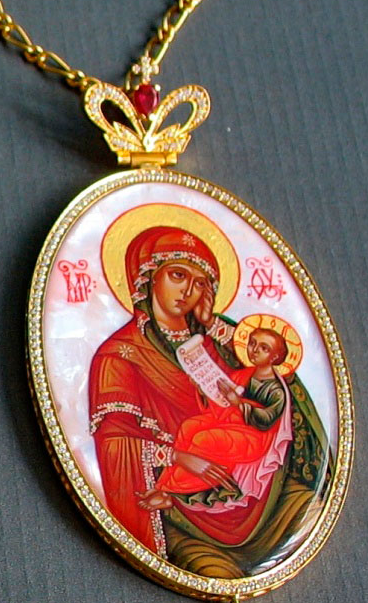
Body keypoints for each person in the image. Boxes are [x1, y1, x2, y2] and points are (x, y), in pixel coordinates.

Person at [87, 226, 328, 578]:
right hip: (183, 516)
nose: (188, 291)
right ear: (149, 277)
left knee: (310, 506)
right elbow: (115, 441)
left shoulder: (226, 338)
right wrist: (179, 457)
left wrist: (214, 327)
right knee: (214, 569)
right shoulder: (120, 355)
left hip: (262, 492)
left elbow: (279, 384)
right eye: (178, 275)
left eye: (199, 283)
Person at [140, 323, 297, 509]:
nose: (254, 350)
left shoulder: (276, 391)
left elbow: (265, 420)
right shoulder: (243, 375)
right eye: (252, 343)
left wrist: (238, 403)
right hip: (230, 423)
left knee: (203, 439)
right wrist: (203, 390)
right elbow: (221, 408)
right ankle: (163, 485)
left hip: (254, 438)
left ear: (275, 357)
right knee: (189, 427)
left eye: (264, 348)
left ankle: (171, 490)